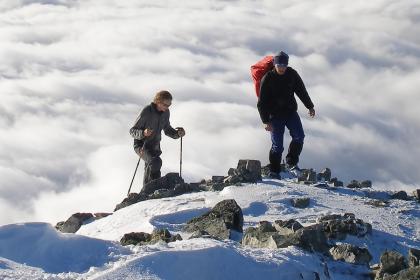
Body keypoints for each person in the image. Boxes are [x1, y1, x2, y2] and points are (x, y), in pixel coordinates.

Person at [257, 51, 315, 178]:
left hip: (290, 112)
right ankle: (274, 171)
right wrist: (265, 121)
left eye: (284, 65)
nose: (282, 68)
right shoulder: (268, 78)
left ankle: (291, 163)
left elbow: (301, 90)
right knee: (277, 146)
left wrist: (310, 106)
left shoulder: (292, 74)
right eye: (279, 65)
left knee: (299, 136)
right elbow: (262, 102)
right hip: (274, 116)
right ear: (274, 64)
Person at [129, 90, 185, 186]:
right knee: (155, 162)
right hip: (141, 145)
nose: (167, 107)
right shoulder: (147, 111)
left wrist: (177, 134)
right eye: (165, 105)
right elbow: (132, 131)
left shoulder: (165, 113)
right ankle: (150, 189)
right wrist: (143, 133)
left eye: (169, 105)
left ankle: (150, 190)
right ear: (158, 101)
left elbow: (167, 129)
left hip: (154, 146)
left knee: (154, 164)